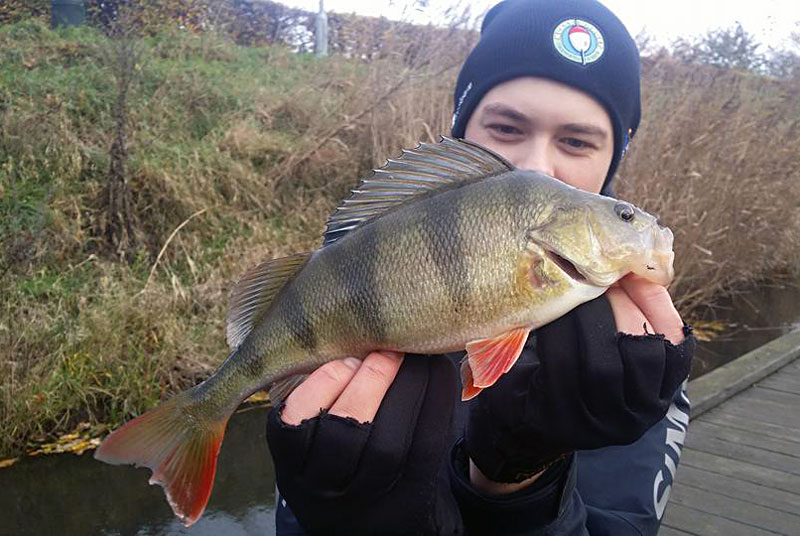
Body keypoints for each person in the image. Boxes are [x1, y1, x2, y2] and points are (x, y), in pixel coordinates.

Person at [266, 0, 696, 534]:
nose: (537, 165)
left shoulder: (638, 361)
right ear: (462, 131)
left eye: (577, 140)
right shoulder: (363, 260)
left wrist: (519, 480)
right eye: (507, 127)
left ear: (615, 158)